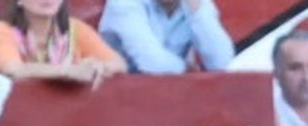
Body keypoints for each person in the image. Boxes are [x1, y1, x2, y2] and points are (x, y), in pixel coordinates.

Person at [0, 0, 128, 87]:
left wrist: (97, 67)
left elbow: (119, 63)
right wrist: (68, 71)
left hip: (71, 114)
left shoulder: (76, 28)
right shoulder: (0, 30)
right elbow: (13, 70)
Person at [96, 0, 234, 74]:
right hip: (117, 96)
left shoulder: (196, 4)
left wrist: (198, 12)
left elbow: (222, 62)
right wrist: (188, 71)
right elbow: (151, 62)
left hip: (171, 96)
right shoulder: (124, 3)